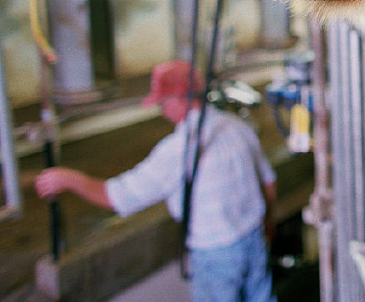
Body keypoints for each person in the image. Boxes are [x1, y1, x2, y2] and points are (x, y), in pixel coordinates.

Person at [35, 60, 278, 302]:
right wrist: (267, 223)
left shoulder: (178, 150)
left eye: (163, 102)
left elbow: (120, 197)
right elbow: (268, 182)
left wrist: (71, 180)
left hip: (215, 253)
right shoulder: (236, 126)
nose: (161, 110)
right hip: (253, 239)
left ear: (179, 98)